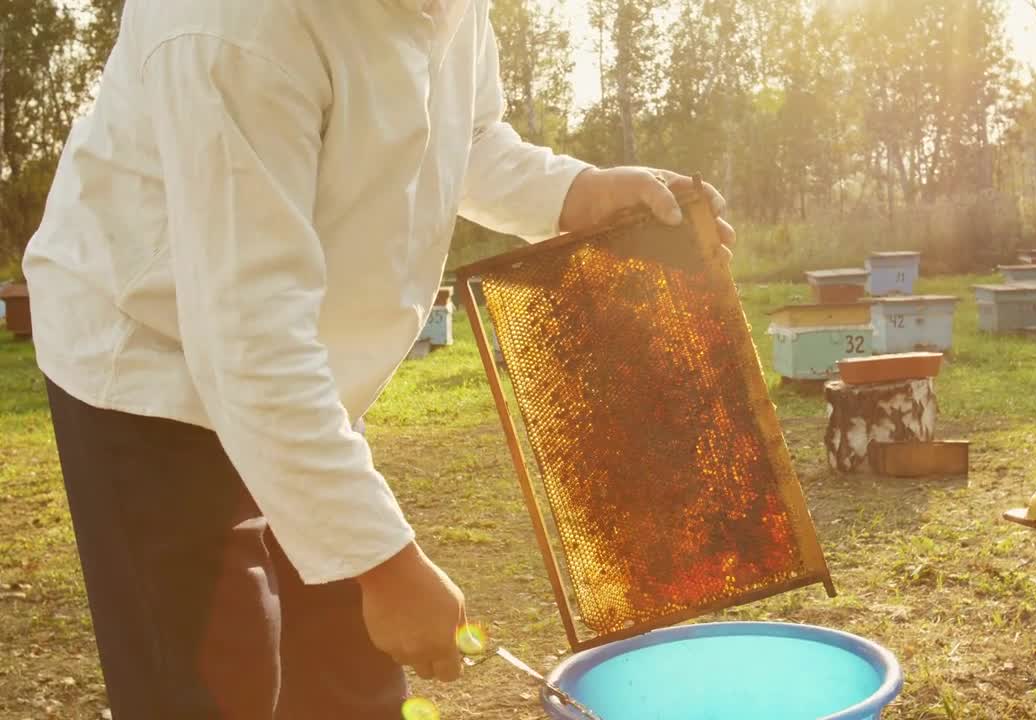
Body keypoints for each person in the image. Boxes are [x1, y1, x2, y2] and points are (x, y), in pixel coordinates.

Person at [21, 0, 734, 718]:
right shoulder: (232, 24)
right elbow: (248, 335)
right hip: (151, 367)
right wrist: (386, 567)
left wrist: (576, 190)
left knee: (349, 683)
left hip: (299, 368)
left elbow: (464, 135)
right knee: (217, 682)